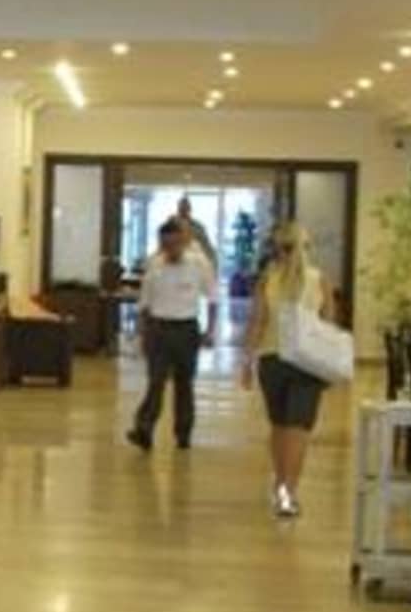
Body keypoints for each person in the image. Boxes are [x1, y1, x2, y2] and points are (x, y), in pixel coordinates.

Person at [239, 220, 331, 518]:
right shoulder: (320, 281)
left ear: (277, 249)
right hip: (307, 362)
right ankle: (288, 493)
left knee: (279, 427)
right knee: (298, 431)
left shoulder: (267, 280)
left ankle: (280, 485)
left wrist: (246, 362)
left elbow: (257, 323)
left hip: (273, 361)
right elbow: (327, 325)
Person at [126, 218, 217, 452]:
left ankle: (183, 433)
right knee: (156, 382)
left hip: (186, 329)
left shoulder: (199, 264)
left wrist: (210, 330)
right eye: (165, 245)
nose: (170, 250)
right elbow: (144, 302)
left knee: (184, 383)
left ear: (183, 242)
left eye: (174, 244)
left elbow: (212, 298)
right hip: (159, 329)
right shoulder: (154, 265)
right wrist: (141, 335)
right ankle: (144, 429)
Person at [172, 194, 218, 267]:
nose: (183, 212)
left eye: (186, 208)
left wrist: (213, 264)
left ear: (190, 209)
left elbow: (207, 247)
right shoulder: (171, 226)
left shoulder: (198, 227)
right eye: (181, 209)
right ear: (178, 210)